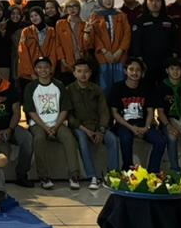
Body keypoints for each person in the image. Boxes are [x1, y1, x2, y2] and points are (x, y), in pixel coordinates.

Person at [24, 57, 82, 190]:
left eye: (46, 67)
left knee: (68, 137)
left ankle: (74, 175)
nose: (43, 70)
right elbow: (31, 111)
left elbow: (64, 109)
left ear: (51, 69)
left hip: (58, 123)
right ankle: (43, 177)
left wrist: (55, 126)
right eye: (39, 67)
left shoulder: (59, 85)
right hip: (38, 124)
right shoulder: (31, 87)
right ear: (35, 70)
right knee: (39, 138)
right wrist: (45, 128)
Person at [64, 59, 118, 190]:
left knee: (112, 139)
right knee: (83, 141)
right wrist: (86, 130)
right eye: (79, 71)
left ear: (90, 73)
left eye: (86, 71)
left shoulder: (97, 89)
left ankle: (113, 175)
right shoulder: (69, 90)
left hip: (97, 126)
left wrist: (101, 130)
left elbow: (104, 112)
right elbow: (69, 116)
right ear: (74, 73)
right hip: (79, 127)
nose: (83, 75)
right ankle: (92, 176)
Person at [109, 58, 167, 171]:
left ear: (142, 73)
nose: (134, 73)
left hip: (142, 124)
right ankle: (128, 170)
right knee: (126, 138)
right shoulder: (117, 88)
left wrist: (146, 127)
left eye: (138, 70)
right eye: (131, 69)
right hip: (124, 125)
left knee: (161, 141)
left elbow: (150, 111)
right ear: (125, 71)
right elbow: (115, 113)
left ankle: (153, 171)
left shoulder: (147, 88)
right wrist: (131, 128)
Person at [86, 0, 130, 97]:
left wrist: (119, 51)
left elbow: (127, 34)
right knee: (104, 87)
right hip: (102, 56)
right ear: (100, 0)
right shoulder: (95, 15)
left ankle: (119, 106)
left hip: (120, 56)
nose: (108, 0)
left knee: (120, 85)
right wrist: (105, 52)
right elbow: (95, 36)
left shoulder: (121, 15)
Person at [131, 0, 178, 89]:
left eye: (157, 0)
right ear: (146, 2)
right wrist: (140, 60)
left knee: (165, 87)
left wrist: (174, 57)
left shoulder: (169, 20)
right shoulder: (140, 20)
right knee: (147, 88)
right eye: (151, 0)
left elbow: (175, 40)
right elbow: (136, 42)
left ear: (162, 2)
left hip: (166, 61)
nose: (154, 3)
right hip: (147, 62)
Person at [16, 6, 58, 85]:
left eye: (36, 15)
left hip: (45, 72)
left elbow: (53, 53)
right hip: (28, 74)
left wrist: (50, 71)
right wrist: (31, 73)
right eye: (31, 16)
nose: (34, 18)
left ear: (41, 15)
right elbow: (23, 52)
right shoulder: (26, 31)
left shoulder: (51, 31)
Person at [54, 0, 89, 83]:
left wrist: (87, 34)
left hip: (82, 62)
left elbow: (88, 46)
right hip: (66, 62)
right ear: (66, 9)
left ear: (79, 8)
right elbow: (58, 44)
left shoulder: (85, 24)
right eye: (69, 6)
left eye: (75, 6)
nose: (72, 9)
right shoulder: (60, 24)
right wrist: (63, 61)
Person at [0, 5, 26, 85]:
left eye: (18, 14)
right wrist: (2, 33)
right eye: (13, 13)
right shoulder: (4, 26)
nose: (15, 16)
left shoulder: (25, 27)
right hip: (5, 61)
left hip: (20, 61)